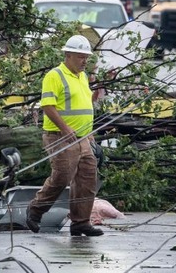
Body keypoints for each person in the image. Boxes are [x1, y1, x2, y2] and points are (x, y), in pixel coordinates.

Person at [26, 34, 103, 237]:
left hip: (83, 137)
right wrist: (65, 128)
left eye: (86, 57)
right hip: (60, 136)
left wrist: (90, 134)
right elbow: (48, 106)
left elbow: (84, 105)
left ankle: (80, 223)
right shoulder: (55, 75)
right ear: (68, 55)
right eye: (80, 57)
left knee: (87, 179)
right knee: (62, 177)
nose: (85, 61)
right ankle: (35, 210)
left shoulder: (83, 76)